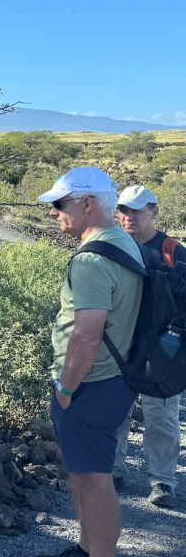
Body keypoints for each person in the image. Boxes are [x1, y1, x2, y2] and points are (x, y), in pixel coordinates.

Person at [35, 166, 142, 557]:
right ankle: (87, 551)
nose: (56, 213)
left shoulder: (93, 258)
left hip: (90, 385)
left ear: (87, 203)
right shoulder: (122, 243)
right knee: (83, 474)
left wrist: (65, 386)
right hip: (110, 380)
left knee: (95, 479)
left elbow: (87, 334)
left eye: (61, 204)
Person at [112, 184, 185, 508]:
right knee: (114, 411)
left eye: (136, 211)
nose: (129, 217)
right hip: (119, 344)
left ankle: (163, 483)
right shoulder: (113, 247)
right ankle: (112, 471)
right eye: (124, 210)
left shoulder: (173, 251)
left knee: (162, 416)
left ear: (153, 210)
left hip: (162, 350)